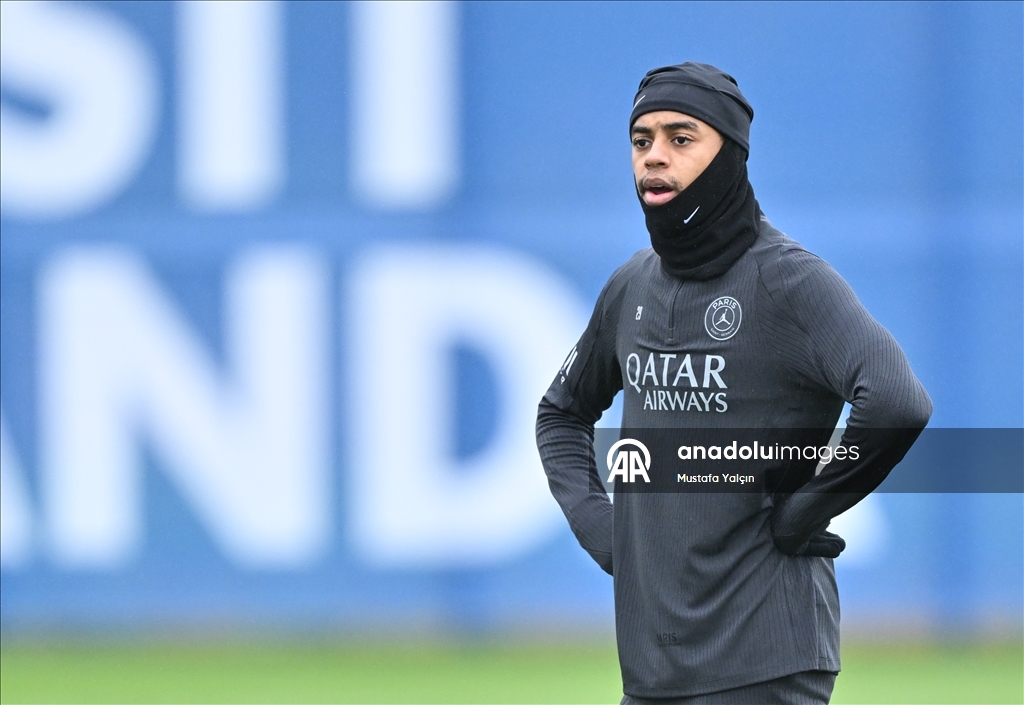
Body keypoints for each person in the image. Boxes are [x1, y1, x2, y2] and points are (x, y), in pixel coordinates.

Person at [535, 62, 932, 704]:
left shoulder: (789, 282)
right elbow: (560, 415)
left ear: (730, 155)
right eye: (642, 142)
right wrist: (602, 528)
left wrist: (805, 509)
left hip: (766, 661)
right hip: (653, 672)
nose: (654, 158)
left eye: (680, 138)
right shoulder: (632, 285)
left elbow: (896, 399)